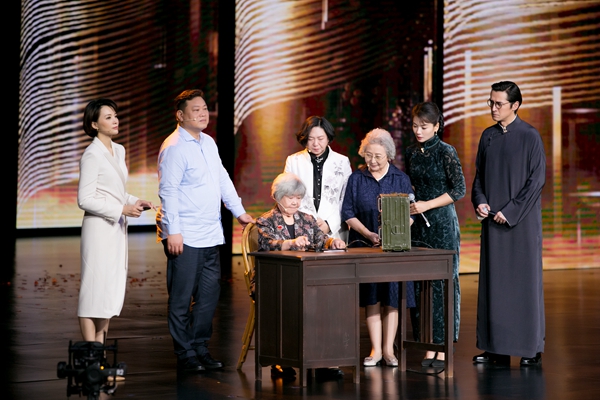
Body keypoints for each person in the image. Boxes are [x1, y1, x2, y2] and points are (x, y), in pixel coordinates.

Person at [156, 89, 254, 373]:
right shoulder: (174, 147)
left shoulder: (208, 142)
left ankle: (199, 347)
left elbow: (222, 178)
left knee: (208, 297)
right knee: (181, 298)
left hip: (211, 233)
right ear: (180, 115)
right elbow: (168, 191)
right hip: (185, 235)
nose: (202, 114)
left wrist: (239, 211)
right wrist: (173, 231)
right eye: (195, 110)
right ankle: (185, 353)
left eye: (204, 109)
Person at [471, 81, 546, 366]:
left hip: (521, 225)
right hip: (493, 223)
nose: (493, 108)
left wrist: (511, 211)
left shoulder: (530, 136)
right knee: (494, 286)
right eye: (490, 102)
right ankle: (495, 349)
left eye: (498, 103)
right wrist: (480, 201)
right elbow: (479, 176)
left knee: (524, 286)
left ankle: (530, 350)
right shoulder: (488, 136)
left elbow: (536, 181)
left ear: (515, 105)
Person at [77, 98, 155, 344]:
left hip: (115, 228)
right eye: (108, 117)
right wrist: (122, 209)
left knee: (108, 291)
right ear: (94, 124)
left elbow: (116, 191)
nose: (115, 120)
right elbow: (85, 199)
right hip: (98, 230)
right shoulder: (92, 155)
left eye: (115, 115)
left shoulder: (118, 150)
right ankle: (91, 354)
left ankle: (99, 352)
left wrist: (135, 200)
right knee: (93, 291)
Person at [256, 172, 346, 379]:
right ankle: (281, 359)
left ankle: (319, 360)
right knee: (287, 300)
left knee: (327, 300)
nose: (295, 202)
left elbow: (321, 238)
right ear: (277, 196)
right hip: (274, 279)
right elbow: (267, 244)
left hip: (305, 278)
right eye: (290, 197)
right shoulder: (265, 221)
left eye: (298, 197)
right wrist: (291, 243)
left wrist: (333, 242)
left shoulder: (307, 219)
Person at [341, 128, 415, 367]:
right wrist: (367, 234)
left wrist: (396, 232)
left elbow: (411, 213)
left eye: (378, 156)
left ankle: (389, 350)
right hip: (365, 245)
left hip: (394, 249)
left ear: (389, 156)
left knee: (392, 297)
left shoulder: (400, 178)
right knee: (372, 297)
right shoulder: (356, 178)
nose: (372, 161)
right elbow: (348, 212)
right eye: (368, 155)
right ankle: (375, 350)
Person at [405, 102, 466, 367]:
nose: (418, 131)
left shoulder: (446, 151)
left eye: (424, 126)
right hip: (418, 224)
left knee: (443, 283)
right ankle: (427, 345)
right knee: (420, 285)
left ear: (437, 126)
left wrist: (427, 205)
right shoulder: (411, 152)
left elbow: (459, 189)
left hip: (442, 224)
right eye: (415, 126)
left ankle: (443, 346)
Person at [284, 116, 352, 239]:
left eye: (320, 139)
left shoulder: (342, 162)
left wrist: (329, 224)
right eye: (311, 139)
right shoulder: (293, 161)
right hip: (301, 229)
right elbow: (287, 196)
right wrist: (307, 222)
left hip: (334, 230)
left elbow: (346, 199)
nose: (316, 144)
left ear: (328, 138)